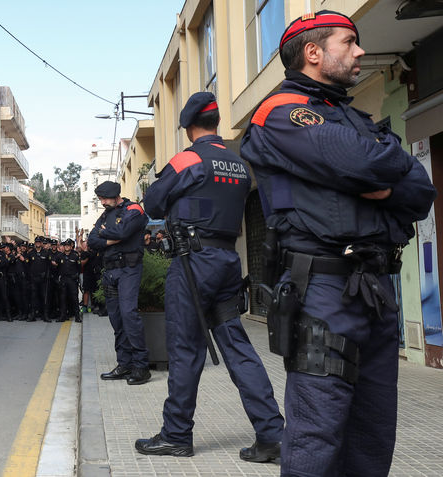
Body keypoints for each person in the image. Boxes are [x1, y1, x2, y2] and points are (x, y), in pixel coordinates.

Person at [240, 11, 436, 476]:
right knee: (316, 435)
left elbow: (421, 190)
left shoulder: (350, 115)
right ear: (313, 52)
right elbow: (364, 161)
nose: (360, 51)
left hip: (375, 289)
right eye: (349, 42)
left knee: (372, 434)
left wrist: (385, 182)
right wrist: (384, 167)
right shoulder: (280, 111)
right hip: (322, 291)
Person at [137, 92, 284, 460]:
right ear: (217, 121)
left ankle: (176, 434)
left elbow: (153, 202)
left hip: (192, 264)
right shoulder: (236, 162)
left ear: (188, 127)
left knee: (185, 349)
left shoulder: (190, 158)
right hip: (226, 261)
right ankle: (273, 433)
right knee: (237, 346)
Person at [87, 181, 150, 385]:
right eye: (100, 199)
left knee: (129, 314)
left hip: (129, 269)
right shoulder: (106, 215)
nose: (102, 202)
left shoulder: (134, 209)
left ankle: (141, 366)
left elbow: (123, 233)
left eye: (104, 198)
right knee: (116, 319)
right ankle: (124, 364)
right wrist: (111, 236)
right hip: (111, 271)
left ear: (115, 196)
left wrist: (106, 233)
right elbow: (91, 241)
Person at [52, 238, 82, 322]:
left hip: (72, 280)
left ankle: (77, 316)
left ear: (71, 247)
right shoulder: (60, 256)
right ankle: (63, 316)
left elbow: (79, 268)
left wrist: (75, 276)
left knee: (74, 299)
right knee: (63, 299)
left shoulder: (75, 255)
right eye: (65, 246)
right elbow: (55, 266)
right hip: (63, 280)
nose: (67, 247)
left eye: (68, 245)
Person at [27, 236, 51, 322]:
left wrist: (47, 275)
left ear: (41, 243)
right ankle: (32, 315)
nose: (37, 243)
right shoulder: (30, 253)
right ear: (35, 243)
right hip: (34, 279)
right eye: (36, 242)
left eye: (39, 242)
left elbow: (49, 266)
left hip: (43, 279)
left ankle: (45, 315)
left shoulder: (46, 253)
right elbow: (28, 266)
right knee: (33, 297)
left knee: (44, 297)